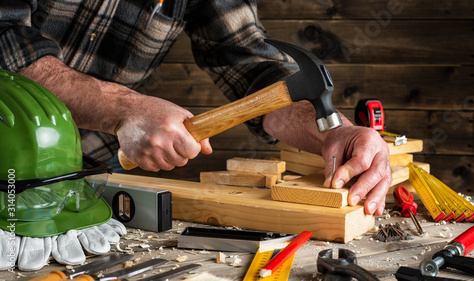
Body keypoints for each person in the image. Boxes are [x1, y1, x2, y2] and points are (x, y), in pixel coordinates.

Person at [0, 0, 391, 216]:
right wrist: (124, 107)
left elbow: (250, 65)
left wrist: (333, 130)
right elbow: (6, 36)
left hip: (97, 170)